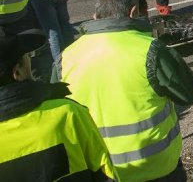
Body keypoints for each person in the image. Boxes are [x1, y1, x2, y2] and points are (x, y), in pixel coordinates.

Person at [56, 0, 193, 182]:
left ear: (95, 16)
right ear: (133, 12)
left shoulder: (66, 58)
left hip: (98, 169)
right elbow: (189, 93)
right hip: (155, 168)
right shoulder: (151, 50)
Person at [0, 30, 117, 182]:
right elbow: (104, 171)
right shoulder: (66, 113)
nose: (31, 60)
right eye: (28, 56)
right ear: (17, 73)